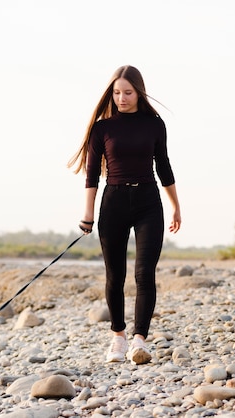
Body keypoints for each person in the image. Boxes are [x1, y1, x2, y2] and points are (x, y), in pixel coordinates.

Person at [68, 65, 181, 365]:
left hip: (148, 201)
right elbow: (92, 175)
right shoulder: (102, 129)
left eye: (128, 92)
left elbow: (164, 167)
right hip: (114, 201)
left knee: (144, 274)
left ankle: (139, 341)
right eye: (117, 93)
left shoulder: (154, 124)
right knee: (114, 275)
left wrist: (176, 206)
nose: (122, 98)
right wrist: (87, 214)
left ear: (139, 92)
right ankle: (118, 337)